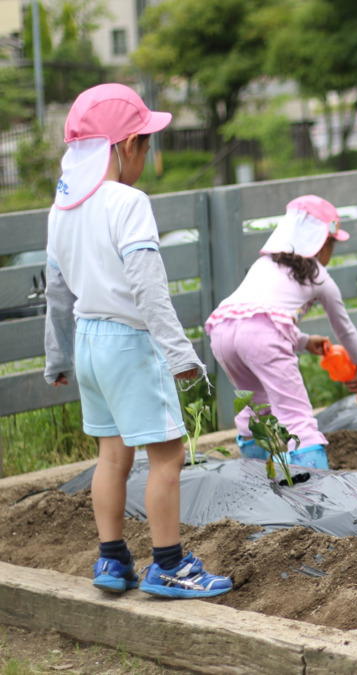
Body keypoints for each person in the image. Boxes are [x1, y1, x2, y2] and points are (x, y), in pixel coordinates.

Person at [43, 83, 232, 598]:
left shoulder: (61, 208)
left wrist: (57, 356)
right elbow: (150, 292)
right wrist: (181, 356)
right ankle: (169, 564)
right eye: (146, 145)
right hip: (128, 343)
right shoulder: (128, 203)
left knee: (111, 456)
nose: (146, 155)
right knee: (167, 455)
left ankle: (111, 560)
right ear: (127, 146)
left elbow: (57, 295)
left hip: (87, 343)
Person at [205, 195, 357, 469]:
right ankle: (315, 486)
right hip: (259, 335)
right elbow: (344, 328)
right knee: (295, 415)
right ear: (322, 244)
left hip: (222, 331)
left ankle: (256, 468)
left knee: (255, 406)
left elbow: (252, 319)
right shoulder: (318, 274)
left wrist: (304, 342)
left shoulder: (264, 264)